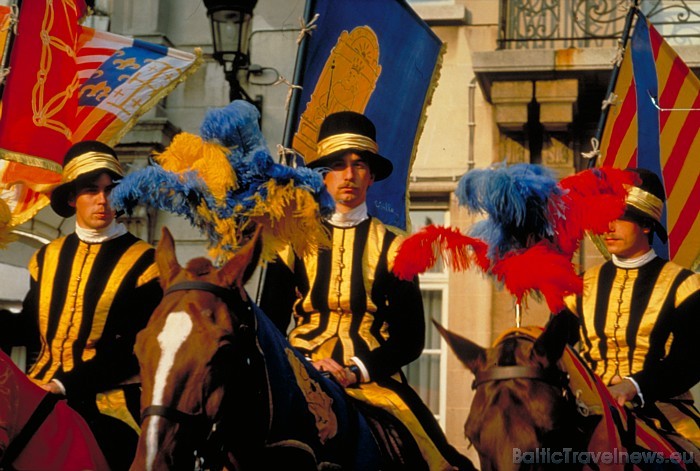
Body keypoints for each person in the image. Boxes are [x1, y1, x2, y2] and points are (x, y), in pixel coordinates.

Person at [261, 111, 474, 470]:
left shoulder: (396, 248)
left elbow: (411, 338)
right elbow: (268, 325)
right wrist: (306, 365)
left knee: (437, 456)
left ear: (371, 176)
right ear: (322, 176)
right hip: (299, 370)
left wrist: (354, 370)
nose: (349, 175)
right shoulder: (288, 243)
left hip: (372, 378)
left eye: (359, 165)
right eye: (338, 165)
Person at [0, 140, 163, 470]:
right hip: (37, 394)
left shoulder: (148, 263)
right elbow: (29, 327)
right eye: (91, 190)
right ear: (73, 197)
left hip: (108, 404)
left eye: (111, 189)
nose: (102, 200)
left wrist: (63, 384)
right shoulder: (48, 256)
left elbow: (133, 351)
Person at [561, 168, 700, 450]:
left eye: (620, 218)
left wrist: (633, 386)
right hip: (587, 413)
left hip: (662, 413)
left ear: (646, 225)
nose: (608, 227)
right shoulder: (580, 285)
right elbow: (552, 350)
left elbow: (689, 362)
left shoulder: (684, 285)